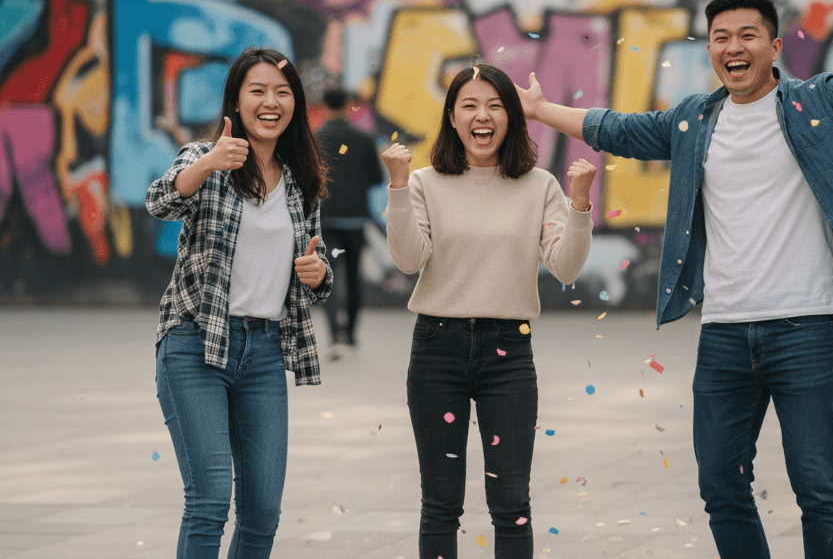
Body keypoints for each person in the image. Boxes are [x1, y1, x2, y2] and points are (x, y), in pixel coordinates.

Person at [516, 0, 833, 559]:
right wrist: (537, 111)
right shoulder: (694, 122)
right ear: (710, 48)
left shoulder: (818, 103)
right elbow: (616, 128)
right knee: (721, 487)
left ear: (775, 46)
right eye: (721, 38)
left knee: (819, 490)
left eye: (747, 35)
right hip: (725, 333)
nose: (733, 48)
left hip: (804, 330)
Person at [382, 63, 596, 559]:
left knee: (511, 501)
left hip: (509, 353)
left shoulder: (539, 185)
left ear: (513, 118)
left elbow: (565, 267)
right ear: (452, 118)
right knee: (440, 503)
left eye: (496, 105)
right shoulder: (423, 182)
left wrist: (580, 206)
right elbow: (408, 259)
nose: (483, 116)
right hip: (437, 349)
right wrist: (396, 187)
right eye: (470, 106)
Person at [146, 48, 333, 559]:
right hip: (195, 345)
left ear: (295, 103)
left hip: (265, 353)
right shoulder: (203, 156)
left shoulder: (300, 181)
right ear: (236, 100)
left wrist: (318, 275)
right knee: (209, 501)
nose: (271, 102)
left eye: (282, 91)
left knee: (263, 512)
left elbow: (317, 271)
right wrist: (208, 164)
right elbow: (161, 200)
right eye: (258, 90)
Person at [316, 87, 384, 355]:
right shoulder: (365, 139)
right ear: (347, 104)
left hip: (325, 219)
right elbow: (376, 179)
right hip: (355, 220)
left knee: (328, 275)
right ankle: (352, 334)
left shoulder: (314, 139)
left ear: (323, 105)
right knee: (354, 276)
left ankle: (334, 333)